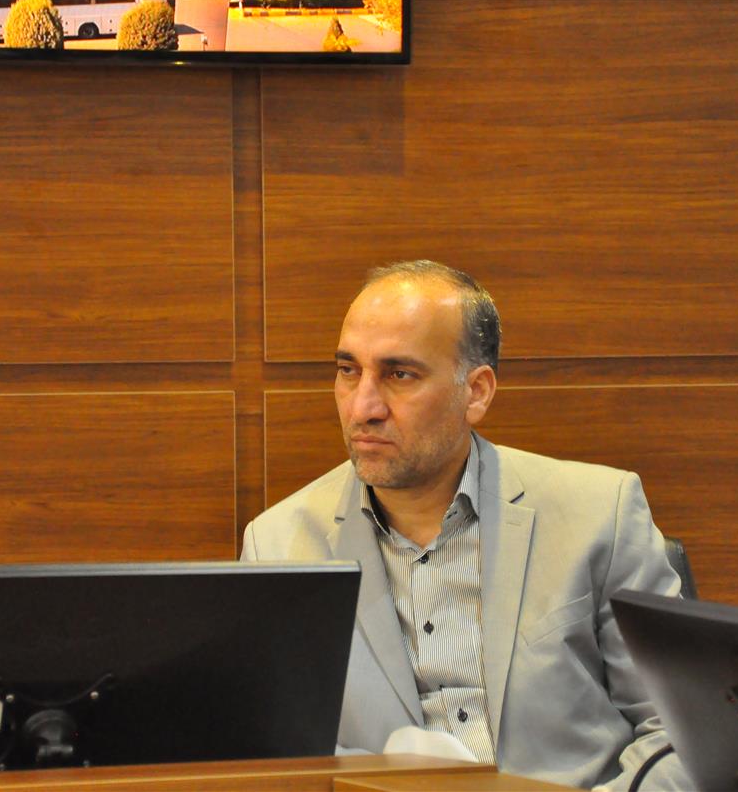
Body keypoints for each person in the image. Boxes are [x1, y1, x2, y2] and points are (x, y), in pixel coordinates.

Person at [241, 260, 691, 790]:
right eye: (348, 370)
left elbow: (683, 733)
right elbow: (280, 751)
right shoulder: (276, 545)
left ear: (476, 391)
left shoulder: (599, 512)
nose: (362, 407)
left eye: (399, 374)